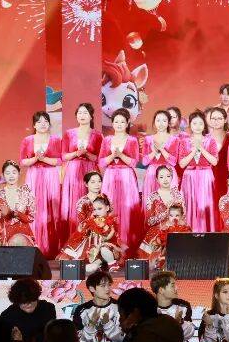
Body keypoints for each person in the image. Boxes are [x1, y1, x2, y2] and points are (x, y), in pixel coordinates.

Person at [60, 102, 103, 246]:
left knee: (91, 202)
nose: (82, 115)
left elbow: (100, 158)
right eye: (79, 113)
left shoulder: (97, 135)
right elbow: (63, 156)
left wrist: (87, 154)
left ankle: (91, 240)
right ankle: (74, 240)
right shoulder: (69, 133)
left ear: (91, 116)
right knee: (74, 203)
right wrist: (76, 153)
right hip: (73, 171)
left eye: (85, 113)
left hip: (89, 170)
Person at [19, 111, 62, 256]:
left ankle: (52, 247)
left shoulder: (56, 140)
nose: (43, 124)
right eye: (39, 122)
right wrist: (35, 159)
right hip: (34, 175)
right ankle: (35, 245)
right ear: (34, 125)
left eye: (45, 121)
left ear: (49, 124)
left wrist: (44, 159)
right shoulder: (27, 140)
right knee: (34, 209)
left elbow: (60, 160)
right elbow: (23, 161)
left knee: (52, 209)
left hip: (50, 175)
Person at [99, 109, 143, 249]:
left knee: (127, 208)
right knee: (110, 207)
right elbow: (101, 162)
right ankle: (109, 244)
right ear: (112, 123)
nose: (119, 124)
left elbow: (134, 162)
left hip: (126, 176)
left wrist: (121, 155)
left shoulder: (132, 140)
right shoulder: (107, 140)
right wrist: (113, 156)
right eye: (116, 121)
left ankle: (127, 243)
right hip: (110, 176)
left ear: (127, 123)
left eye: (122, 122)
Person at [73, 270, 124, 342]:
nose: (108, 289)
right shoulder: (82, 310)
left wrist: (107, 324)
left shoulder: (119, 307)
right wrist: (91, 326)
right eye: (103, 286)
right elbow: (78, 341)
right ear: (92, 288)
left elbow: (123, 337)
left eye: (109, 285)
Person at [177, 111, 219, 232]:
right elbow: (182, 164)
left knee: (204, 206)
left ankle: (206, 233)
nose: (197, 126)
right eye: (194, 123)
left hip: (206, 177)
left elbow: (214, 161)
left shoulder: (210, 141)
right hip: (189, 177)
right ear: (190, 125)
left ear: (204, 125)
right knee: (189, 205)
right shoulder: (184, 141)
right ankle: (189, 232)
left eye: (200, 123)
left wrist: (201, 148)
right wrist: (194, 150)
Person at [140, 167, 186, 270]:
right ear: (157, 179)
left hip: (176, 229)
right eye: (161, 177)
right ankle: (161, 261)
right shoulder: (153, 197)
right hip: (158, 230)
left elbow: (183, 216)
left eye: (168, 176)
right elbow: (150, 221)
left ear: (171, 178)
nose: (165, 179)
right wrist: (166, 213)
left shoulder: (177, 195)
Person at [64, 195, 123, 272]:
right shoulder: (93, 220)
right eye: (94, 209)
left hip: (106, 246)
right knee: (92, 266)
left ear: (107, 208)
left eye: (99, 209)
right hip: (95, 249)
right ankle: (96, 266)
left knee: (104, 250)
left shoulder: (109, 221)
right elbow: (84, 232)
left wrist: (104, 231)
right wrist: (84, 227)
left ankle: (112, 264)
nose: (96, 212)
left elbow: (110, 234)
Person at [0, 277, 57, 342]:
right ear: (16, 301)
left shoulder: (48, 308)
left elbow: (53, 338)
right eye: (23, 302)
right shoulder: (7, 316)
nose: (28, 304)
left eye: (31, 300)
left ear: (36, 296)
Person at [150, 271, 195, 342]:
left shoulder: (183, 306)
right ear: (161, 290)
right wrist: (174, 324)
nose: (176, 288)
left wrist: (180, 323)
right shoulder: (149, 309)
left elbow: (189, 333)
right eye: (173, 285)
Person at [0, 160, 36, 246]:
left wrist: (15, 213)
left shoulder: (26, 193)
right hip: (3, 233)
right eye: (7, 173)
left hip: (23, 233)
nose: (11, 176)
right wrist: (2, 214)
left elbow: (31, 217)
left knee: (18, 241)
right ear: (3, 175)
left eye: (14, 172)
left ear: (19, 173)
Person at [141, 110, 178, 201]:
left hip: (168, 172)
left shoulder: (174, 139)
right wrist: (154, 151)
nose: (161, 124)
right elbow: (144, 162)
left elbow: (173, 162)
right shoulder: (148, 139)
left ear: (168, 123)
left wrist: (162, 149)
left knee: (169, 202)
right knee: (152, 202)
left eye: (164, 121)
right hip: (152, 174)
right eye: (158, 120)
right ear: (154, 122)